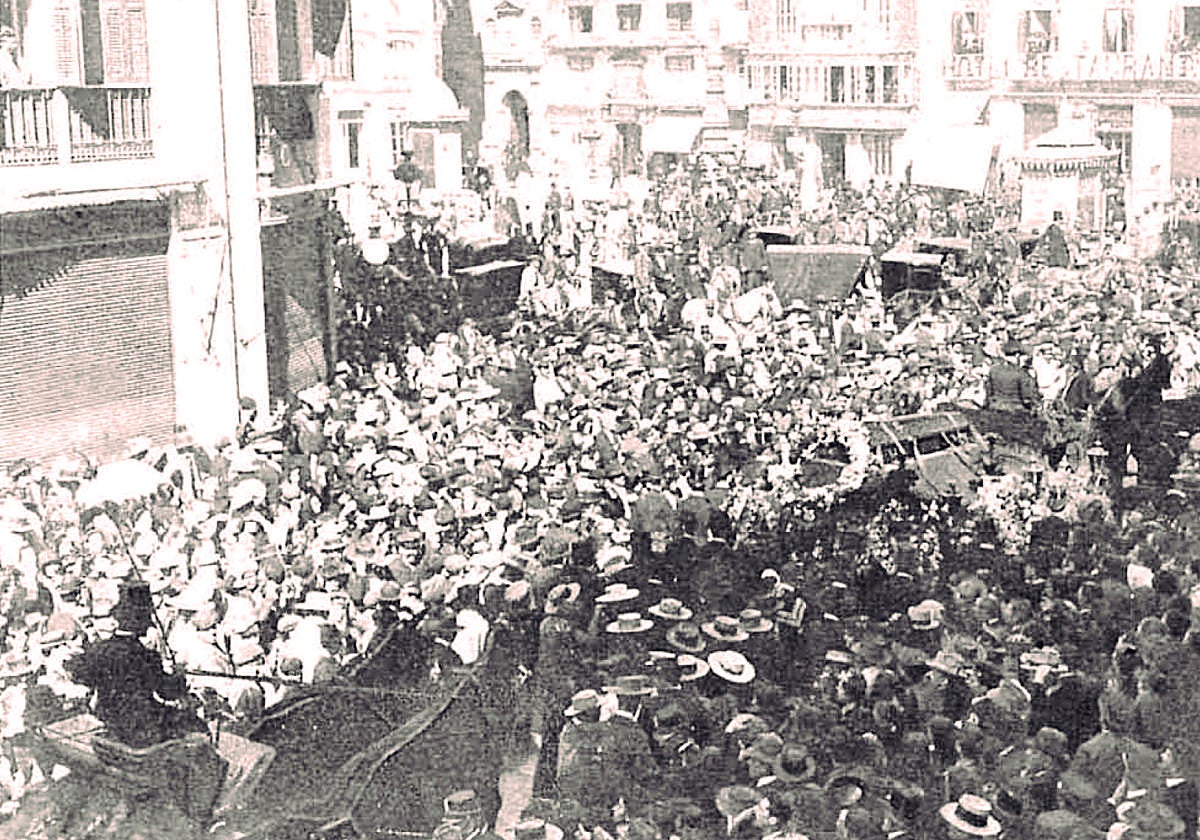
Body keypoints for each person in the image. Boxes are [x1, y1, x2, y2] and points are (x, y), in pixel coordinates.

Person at [66, 581, 205, 748]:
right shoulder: (147, 655)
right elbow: (168, 692)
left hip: (109, 718)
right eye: (147, 618)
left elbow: (80, 675)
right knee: (194, 723)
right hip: (142, 724)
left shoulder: (98, 649)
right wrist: (179, 675)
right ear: (140, 622)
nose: (149, 624)